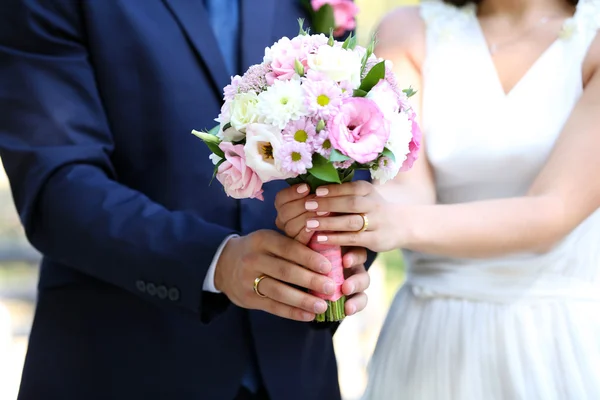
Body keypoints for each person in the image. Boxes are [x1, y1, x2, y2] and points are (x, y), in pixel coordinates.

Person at [0, 1, 374, 399]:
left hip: (295, 371)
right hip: (123, 368)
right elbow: (58, 186)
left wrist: (342, 249)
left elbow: (348, 126)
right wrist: (216, 262)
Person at [275, 0, 600, 398]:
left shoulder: (593, 37)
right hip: (429, 333)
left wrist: (393, 222)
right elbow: (409, 185)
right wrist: (346, 208)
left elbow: (554, 210)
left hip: (553, 335)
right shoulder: (408, 30)